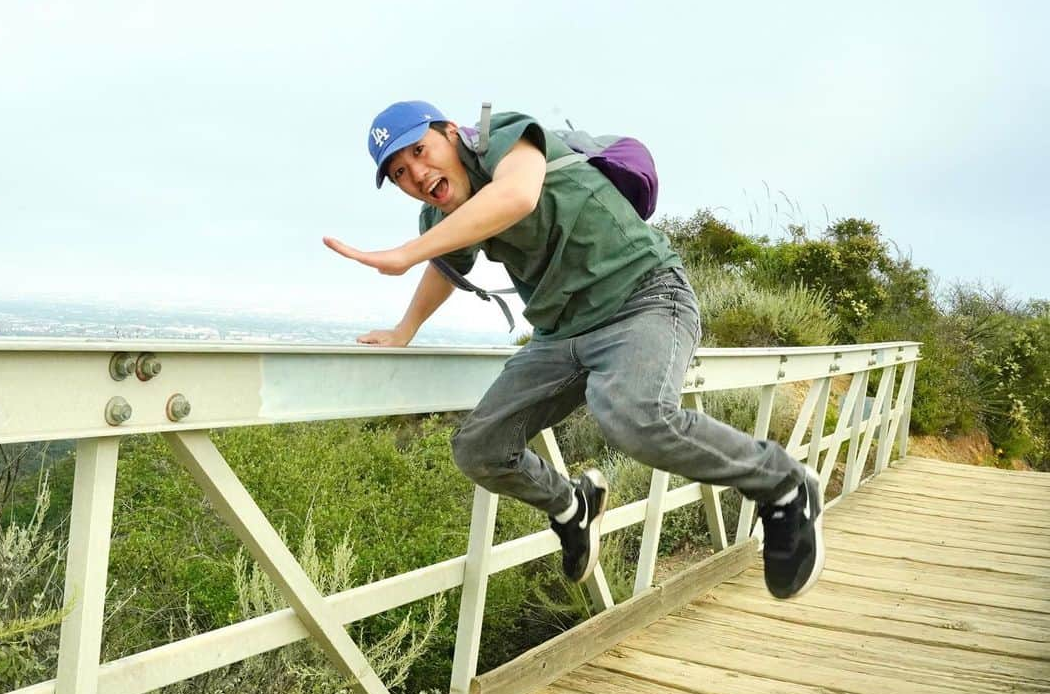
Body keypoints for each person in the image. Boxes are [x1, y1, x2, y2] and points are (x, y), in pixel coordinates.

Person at [323, 101, 824, 600]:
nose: (417, 173)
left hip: (643, 298)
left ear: (450, 132)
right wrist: (405, 328)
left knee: (634, 416)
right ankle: (572, 507)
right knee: (479, 447)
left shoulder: (500, 137)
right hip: (561, 334)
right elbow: (446, 265)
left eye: (419, 151)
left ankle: (782, 484)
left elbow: (517, 195)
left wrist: (407, 253)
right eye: (400, 172)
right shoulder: (441, 214)